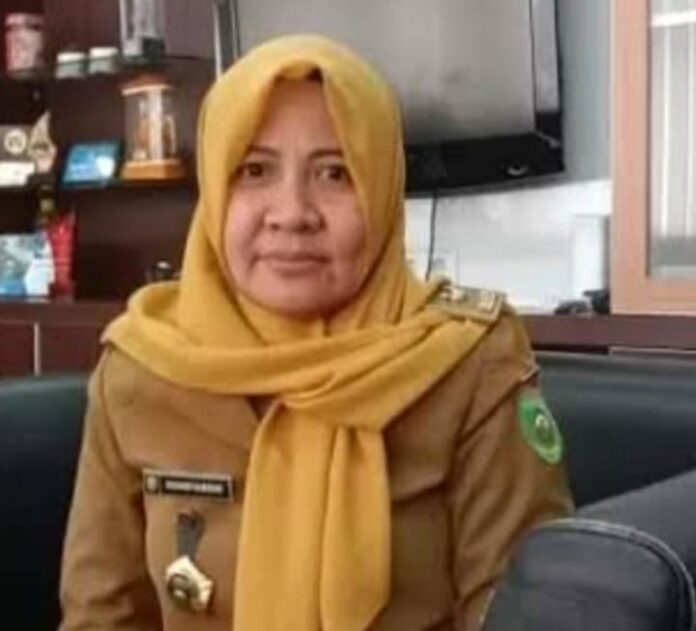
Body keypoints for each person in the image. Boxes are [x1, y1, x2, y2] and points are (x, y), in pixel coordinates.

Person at [59, 34, 573, 631]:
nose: (292, 213)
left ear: (381, 189)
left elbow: (525, 615)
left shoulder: (467, 362)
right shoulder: (142, 367)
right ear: (215, 192)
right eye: (255, 170)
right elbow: (103, 615)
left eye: (334, 173)